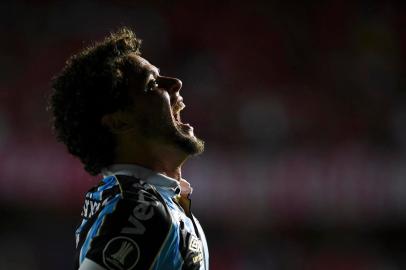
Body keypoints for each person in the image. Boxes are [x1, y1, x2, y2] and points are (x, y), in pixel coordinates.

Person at [49, 27, 209, 270]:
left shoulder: (157, 203)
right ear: (119, 121)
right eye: (152, 83)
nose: (176, 83)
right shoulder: (141, 212)